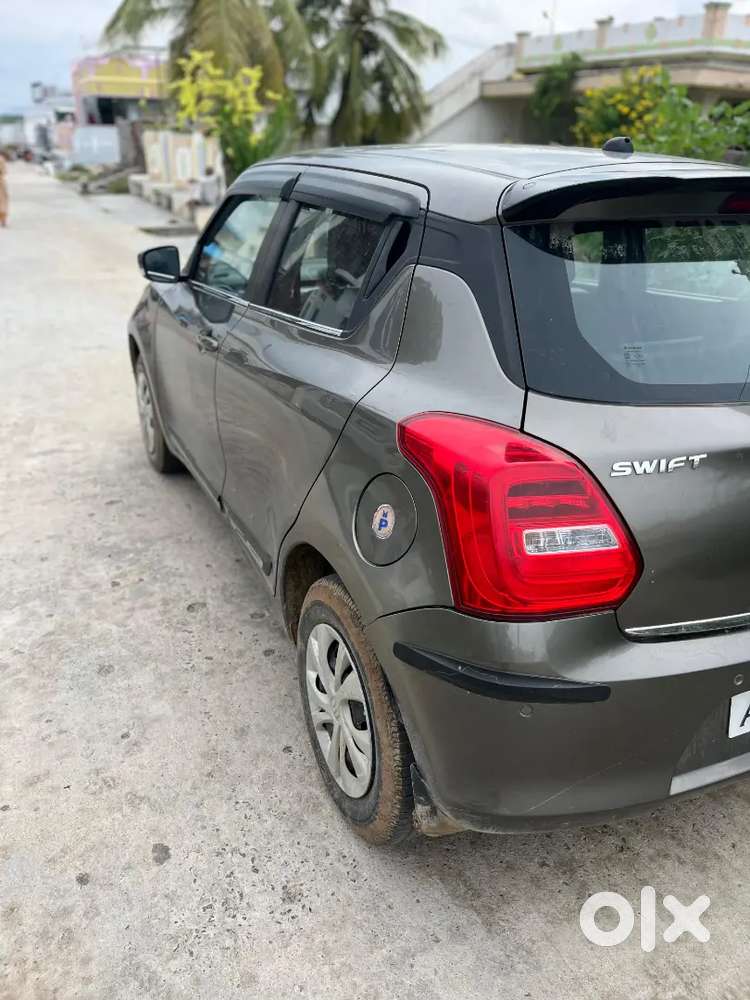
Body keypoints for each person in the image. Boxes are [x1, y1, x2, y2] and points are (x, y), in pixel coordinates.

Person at [0, 152, 8, 227]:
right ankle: (3, 220)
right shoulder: (1, 159)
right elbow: (4, 172)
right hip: (1, 182)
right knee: (3, 200)